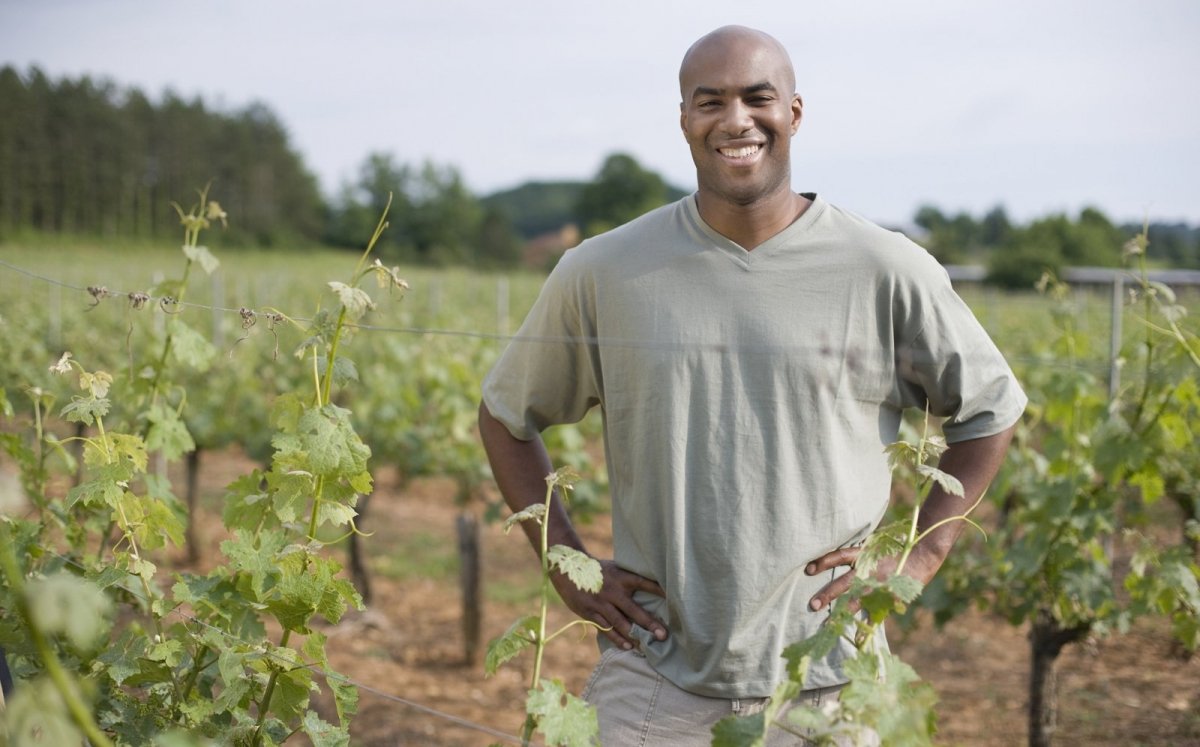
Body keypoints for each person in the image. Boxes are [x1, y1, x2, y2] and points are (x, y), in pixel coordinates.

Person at [478, 24, 1026, 745]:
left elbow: (990, 411)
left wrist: (919, 555)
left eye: (757, 97)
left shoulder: (885, 269)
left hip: (830, 679)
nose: (735, 120)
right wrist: (569, 569)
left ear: (794, 112)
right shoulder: (604, 271)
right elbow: (504, 417)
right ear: (684, 120)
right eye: (710, 101)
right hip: (653, 679)